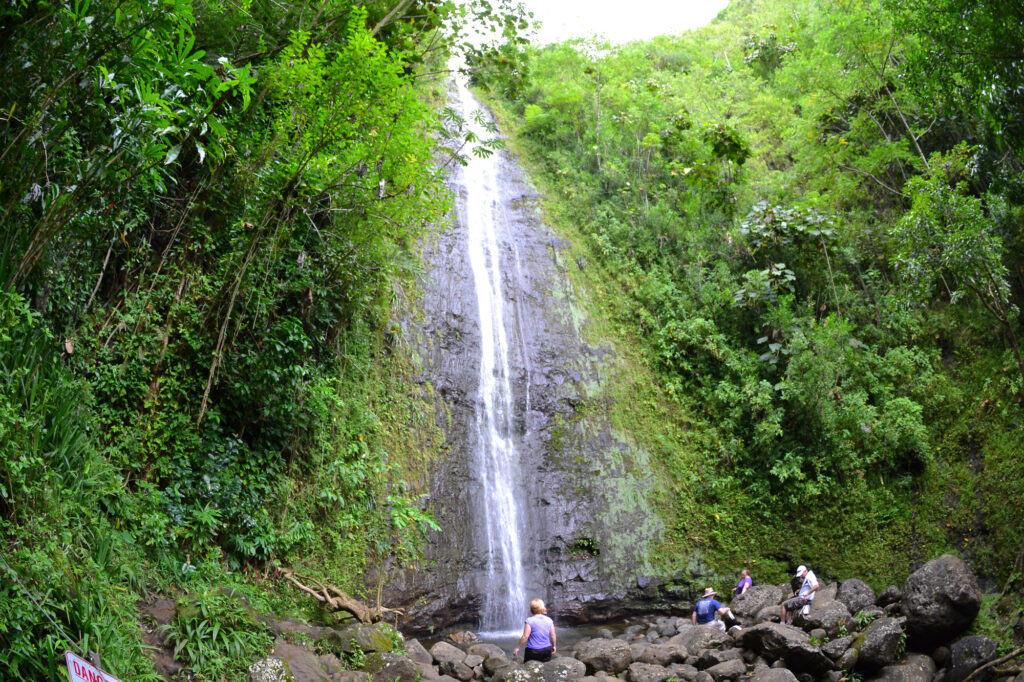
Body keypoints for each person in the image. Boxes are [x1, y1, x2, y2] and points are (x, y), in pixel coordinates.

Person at [513, 598, 556, 663]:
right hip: (547, 649)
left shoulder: (529, 621)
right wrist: (554, 646)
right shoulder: (549, 620)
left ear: (532, 609)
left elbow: (525, 636)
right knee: (545, 669)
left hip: (533, 650)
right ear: (542, 607)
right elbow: (553, 635)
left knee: (529, 669)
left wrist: (518, 648)